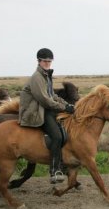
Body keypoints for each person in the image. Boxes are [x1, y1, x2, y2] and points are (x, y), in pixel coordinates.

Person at [19, 48, 75, 184]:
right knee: (56, 136)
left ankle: (61, 164)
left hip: (44, 109)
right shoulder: (37, 77)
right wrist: (63, 108)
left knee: (64, 135)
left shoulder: (46, 76)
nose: (47, 63)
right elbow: (44, 99)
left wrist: (67, 105)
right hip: (35, 112)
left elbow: (52, 95)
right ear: (39, 61)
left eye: (50, 61)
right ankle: (54, 170)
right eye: (45, 61)